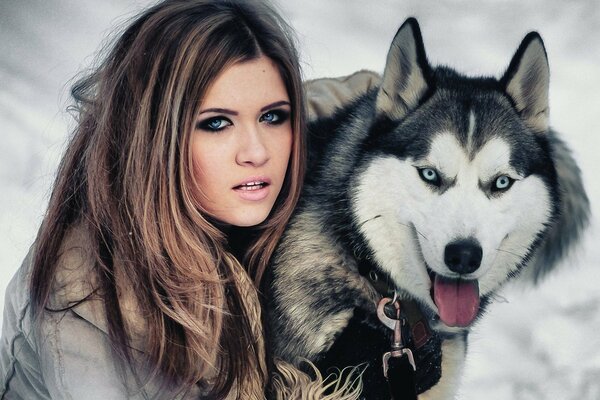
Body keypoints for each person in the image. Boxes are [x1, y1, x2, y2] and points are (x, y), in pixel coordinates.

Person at [0, 0, 306, 398]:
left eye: (272, 117)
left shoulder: (216, 206)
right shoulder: (90, 305)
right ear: (154, 138)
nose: (257, 152)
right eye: (216, 123)